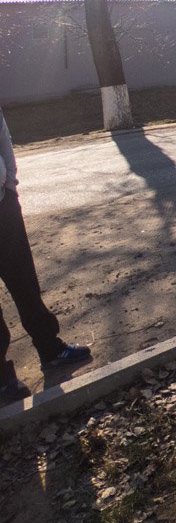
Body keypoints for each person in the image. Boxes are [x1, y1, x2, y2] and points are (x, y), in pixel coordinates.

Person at [1, 108, 91, 405]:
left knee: (25, 282)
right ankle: (2, 380)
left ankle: (50, 349)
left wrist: (10, 185)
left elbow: (3, 137)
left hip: (3, 205)